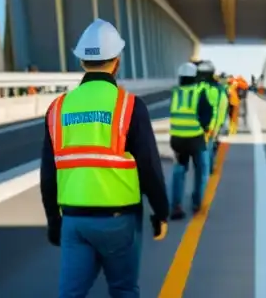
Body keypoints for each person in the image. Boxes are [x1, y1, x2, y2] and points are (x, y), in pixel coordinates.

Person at [40, 19, 170, 298]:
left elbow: (48, 174)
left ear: (82, 61)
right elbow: (149, 168)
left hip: (74, 221)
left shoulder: (58, 107)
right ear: (117, 61)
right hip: (119, 220)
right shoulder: (130, 106)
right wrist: (160, 212)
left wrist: (54, 221)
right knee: (123, 290)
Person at [169, 61, 214, 220]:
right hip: (195, 139)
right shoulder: (199, 92)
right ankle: (196, 203)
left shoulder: (175, 92)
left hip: (177, 140)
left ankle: (176, 206)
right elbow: (207, 115)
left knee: (179, 171)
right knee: (201, 171)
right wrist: (205, 127)